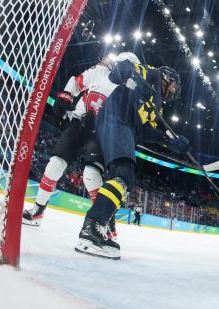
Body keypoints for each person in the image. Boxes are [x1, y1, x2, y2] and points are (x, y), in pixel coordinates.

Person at [75, 59, 186, 260]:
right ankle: (92, 228)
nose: (174, 90)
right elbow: (118, 71)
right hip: (116, 119)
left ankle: (95, 228)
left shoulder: (157, 107)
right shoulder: (150, 73)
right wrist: (134, 78)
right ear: (167, 77)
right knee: (124, 174)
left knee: (123, 176)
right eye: (174, 85)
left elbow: (143, 132)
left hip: (122, 127)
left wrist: (168, 141)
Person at [22, 53, 141, 238]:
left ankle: (103, 222)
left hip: (101, 133)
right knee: (55, 164)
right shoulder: (100, 71)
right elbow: (77, 83)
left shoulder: (129, 92)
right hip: (78, 123)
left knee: (91, 175)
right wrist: (66, 96)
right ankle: (38, 209)